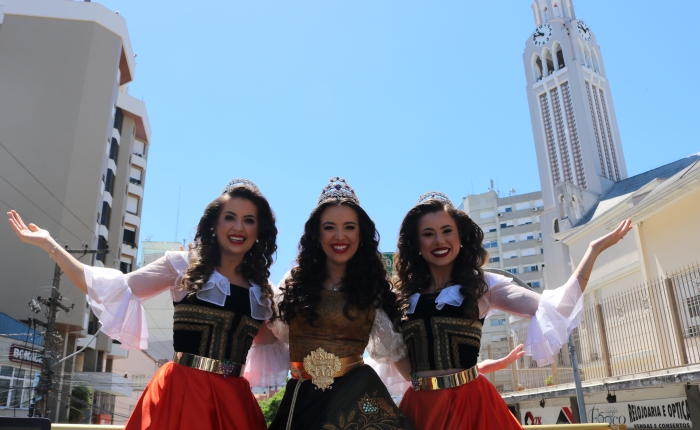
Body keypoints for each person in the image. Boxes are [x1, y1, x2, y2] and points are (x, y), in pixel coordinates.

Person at [7, 179, 288, 430]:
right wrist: (50, 245)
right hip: (181, 393)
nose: (239, 227)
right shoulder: (181, 265)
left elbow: (288, 338)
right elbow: (110, 287)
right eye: (230, 217)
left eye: (249, 220)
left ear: (258, 229)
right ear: (215, 224)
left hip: (234, 402)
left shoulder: (263, 291)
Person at [391, 191, 632, 430]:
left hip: (471, 406)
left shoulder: (483, 286)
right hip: (420, 409)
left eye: (446, 231)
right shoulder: (402, 297)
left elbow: (558, 307)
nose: (439, 241)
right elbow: (393, 354)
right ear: (416, 243)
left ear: (460, 237)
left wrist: (593, 251)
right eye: (428, 234)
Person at [267, 177, 413, 430]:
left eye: (349, 227)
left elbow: (396, 353)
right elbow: (275, 332)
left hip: (358, 400)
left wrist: (444, 387)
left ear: (361, 232)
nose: (339, 236)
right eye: (329, 227)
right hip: (303, 400)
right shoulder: (294, 281)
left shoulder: (374, 287)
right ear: (316, 233)